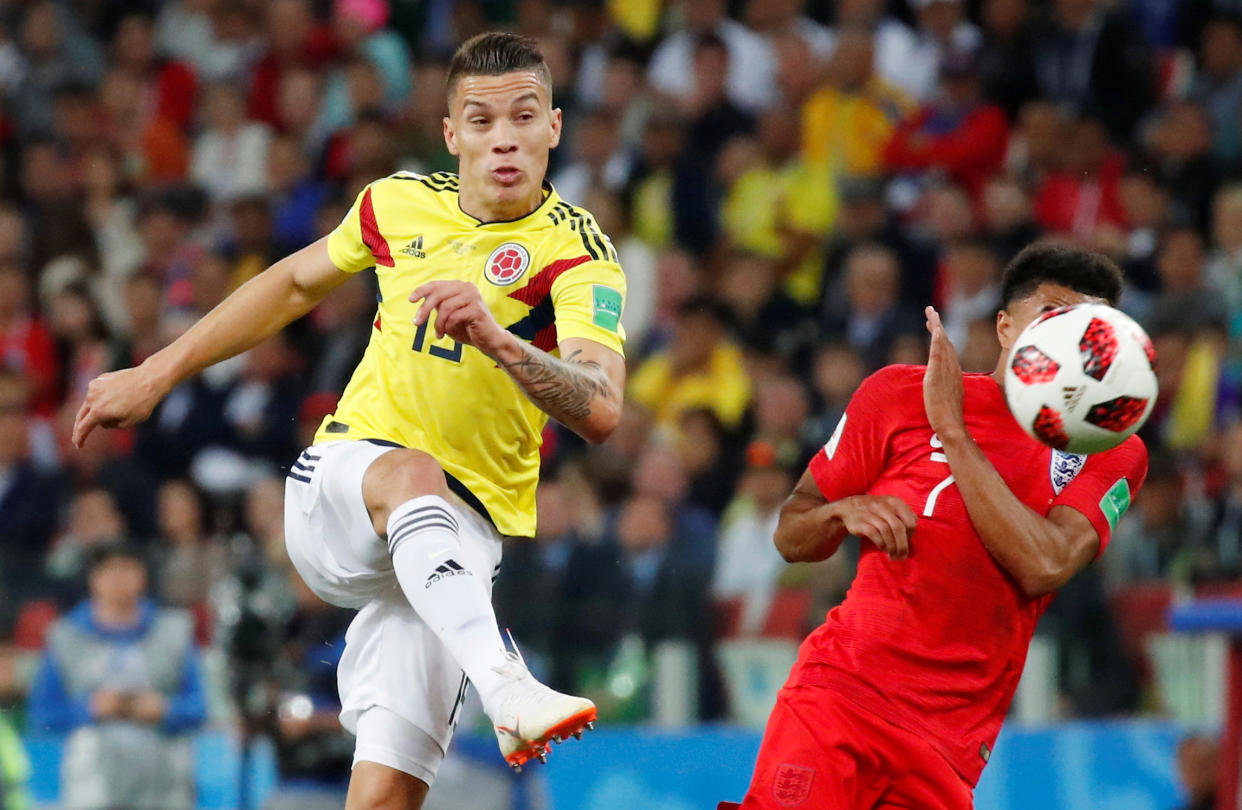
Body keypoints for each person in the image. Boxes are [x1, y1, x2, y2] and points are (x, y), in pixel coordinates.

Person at [72, 32, 627, 810]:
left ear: (554, 128)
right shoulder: (396, 204)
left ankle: (494, 677)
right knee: (409, 470)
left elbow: (601, 408)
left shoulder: (579, 254)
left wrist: (502, 343)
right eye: (481, 120)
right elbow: (295, 284)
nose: (503, 137)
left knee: (386, 798)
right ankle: (504, 682)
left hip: (455, 549)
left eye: (523, 117)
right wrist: (158, 371)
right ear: (451, 134)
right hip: (344, 487)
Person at [737, 242, 1149, 809]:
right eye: (1054, 316)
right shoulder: (897, 393)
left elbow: (1045, 565)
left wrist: (952, 431)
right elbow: (791, 531)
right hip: (841, 697)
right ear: (1005, 328)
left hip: (948, 744)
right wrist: (840, 511)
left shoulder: (1108, 448)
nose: (1071, 338)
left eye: (1091, 328)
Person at [26, 542, 207, 810]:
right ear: (93, 579)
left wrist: (164, 710)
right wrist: (90, 708)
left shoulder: (174, 631)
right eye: (108, 570)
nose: (118, 579)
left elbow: (200, 707)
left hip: (165, 786)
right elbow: (42, 714)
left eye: (126, 569)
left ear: (142, 576)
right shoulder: (65, 636)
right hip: (91, 789)